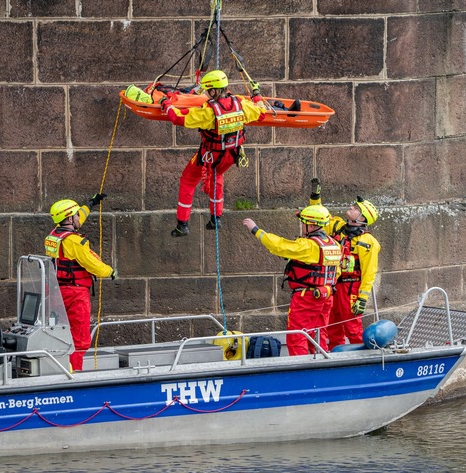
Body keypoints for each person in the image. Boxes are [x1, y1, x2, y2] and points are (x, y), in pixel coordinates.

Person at [161, 69, 266, 237]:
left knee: (188, 180)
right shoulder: (241, 104)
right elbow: (261, 113)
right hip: (231, 155)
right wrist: (257, 95)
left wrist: (166, 104)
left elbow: (177, 118)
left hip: (210, 156)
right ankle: (216, 219)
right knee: (217, 177)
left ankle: (182, 224)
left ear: (212, 90)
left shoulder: (209, 112)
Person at [242, 205, 342, 355]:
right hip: (326, 295)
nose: (301, 226)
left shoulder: (308, 245)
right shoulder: (334, 245)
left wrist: (256, 230)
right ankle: (321, 362)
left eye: (303, 222)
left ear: (312, 224)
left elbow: (279, 246)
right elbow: (336, 272)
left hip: (307, 296)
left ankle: (300, 370)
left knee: (297, 335)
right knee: (319, 332)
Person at [44, 195, 117, 371]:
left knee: (61, 334)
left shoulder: (54, 236)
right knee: (80, 338)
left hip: (56, 291)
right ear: (69, 218)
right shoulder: (75, 242)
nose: (79, 218)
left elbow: (78, 220)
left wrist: (90, 205)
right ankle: (74, 373)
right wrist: (110, 272)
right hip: (75, 293)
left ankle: (59, 367)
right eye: (76, 215)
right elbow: (92, 265)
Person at [308, 178, 381, 350]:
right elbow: (319, 215)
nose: (351, 208)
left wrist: (362, 298)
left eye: (356, 208)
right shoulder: (337, 226)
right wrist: (315, 198)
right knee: (332, 327)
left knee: (352, 328)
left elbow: (369, 272)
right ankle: (335, 357)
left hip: (351, 288)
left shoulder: (368, 242)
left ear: (362, 217)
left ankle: (361, 360)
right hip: (333, 284)